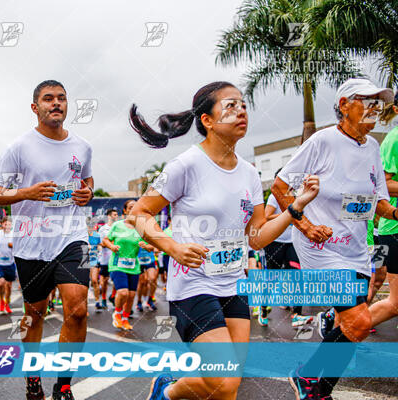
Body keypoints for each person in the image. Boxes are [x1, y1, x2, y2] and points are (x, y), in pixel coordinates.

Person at [126, 81, 320, 400]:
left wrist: (296, 207)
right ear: (208, 121)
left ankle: (169, 389)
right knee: (223, 381)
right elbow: (138, 213)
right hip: (192, 287)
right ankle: (167, 390)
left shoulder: (249, 174)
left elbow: (257, 238)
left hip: (233, 285)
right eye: (230, 106)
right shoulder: (184, 165)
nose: (241, 111)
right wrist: (173, 246)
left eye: (243, 105)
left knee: (226, 390)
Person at [270, 78, 398, 400]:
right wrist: (305, 226)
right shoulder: (322, 142)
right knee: (360, 320)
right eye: (366, 101)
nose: (374, 108)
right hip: (321, 248)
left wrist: (395, 214)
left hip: (355, 250)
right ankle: (313, 384)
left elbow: (379, 201)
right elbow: (280, 187)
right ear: (343, 105)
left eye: (377, 103)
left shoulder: (371, 147)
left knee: (351, 326)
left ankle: (313, 383)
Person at [0, 80, 94, 400]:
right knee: (35, 314)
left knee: (78, 310)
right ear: (35, 107)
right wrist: (26, 193)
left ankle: (63, 385)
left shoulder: (83, 146)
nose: (56, 103)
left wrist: (87, 193)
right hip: (32, 243)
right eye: (48, 99)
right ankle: (33, 378)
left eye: (61, 98)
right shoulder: (18, 148)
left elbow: (86, 181)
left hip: (74, 237)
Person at [264, 169, 313, 328]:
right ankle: (264, 309)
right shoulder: (273, 197)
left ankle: (297, 314)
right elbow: (266, 216)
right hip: (275, 242)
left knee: (297, 276)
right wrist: (287, 215)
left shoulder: (296, 198)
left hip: (292, 242)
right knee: (272, 279)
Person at [369, 90, 398, 333]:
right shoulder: (393, 140)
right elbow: (384, 185)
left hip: (380, 235)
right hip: (392, 229)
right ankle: (342, 325)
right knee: (392, 299)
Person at [103, 199, 155, 331]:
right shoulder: (117, 225)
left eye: (136, 207)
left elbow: (152, 247)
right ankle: (118, 313)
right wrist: (112, 246)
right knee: (123, 292)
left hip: (133, 266)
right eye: (130, 207)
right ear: (125, 211)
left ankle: (125, 319)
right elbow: (106, 240)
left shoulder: (141, 229)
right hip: (117, 264)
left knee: (131, 295)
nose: (133, 209)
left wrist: (146, 246)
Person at [0, 217, 16, 314]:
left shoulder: (14, 235)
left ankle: (7, 303)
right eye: (5, 224)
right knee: (1, 283)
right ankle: (1, 300)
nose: (7, 226)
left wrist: (13, 246)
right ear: (2, 224)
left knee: (9, 286)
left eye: (9, 224)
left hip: (10, 263)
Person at [98, 208, 119, 309]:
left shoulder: (119, 228)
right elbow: (101, 243)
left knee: (117, 279)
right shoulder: (103, 229)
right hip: (105, 259)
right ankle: (103, 299)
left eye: (117, 215)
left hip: (116, 258)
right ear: (109, 216)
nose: (116, 216)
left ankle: (113, 296)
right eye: (114, 215)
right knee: (104, 281)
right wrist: (111, 244)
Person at [88, 224, 103, 311]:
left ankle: (97, 301)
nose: (90, 228)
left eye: (91, 226)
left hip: (94, 259)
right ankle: (84, 304)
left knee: (94, 280)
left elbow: (100, 245)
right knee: (85, 282)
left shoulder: (96, 235)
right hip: (84, 260)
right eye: (88, 226)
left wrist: (99, 249)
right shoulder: (82, 235)